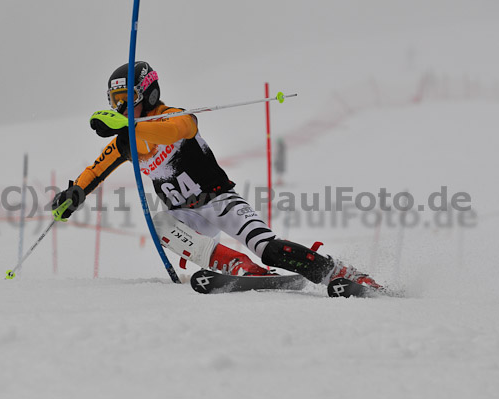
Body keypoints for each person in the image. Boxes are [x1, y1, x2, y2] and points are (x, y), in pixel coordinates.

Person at [51, 61, 381, 289]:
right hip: (187, 217)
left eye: (128, 100)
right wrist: (74, 195)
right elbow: (95, 170)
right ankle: (239, 266)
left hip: (220, 201)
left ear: (149, 94)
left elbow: (181, 128)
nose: (122, 109)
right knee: (160, 223)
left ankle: (337, 272)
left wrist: (129, 124)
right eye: (115, 103)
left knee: (268, 247)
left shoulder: (171, 117)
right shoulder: (127, 140)